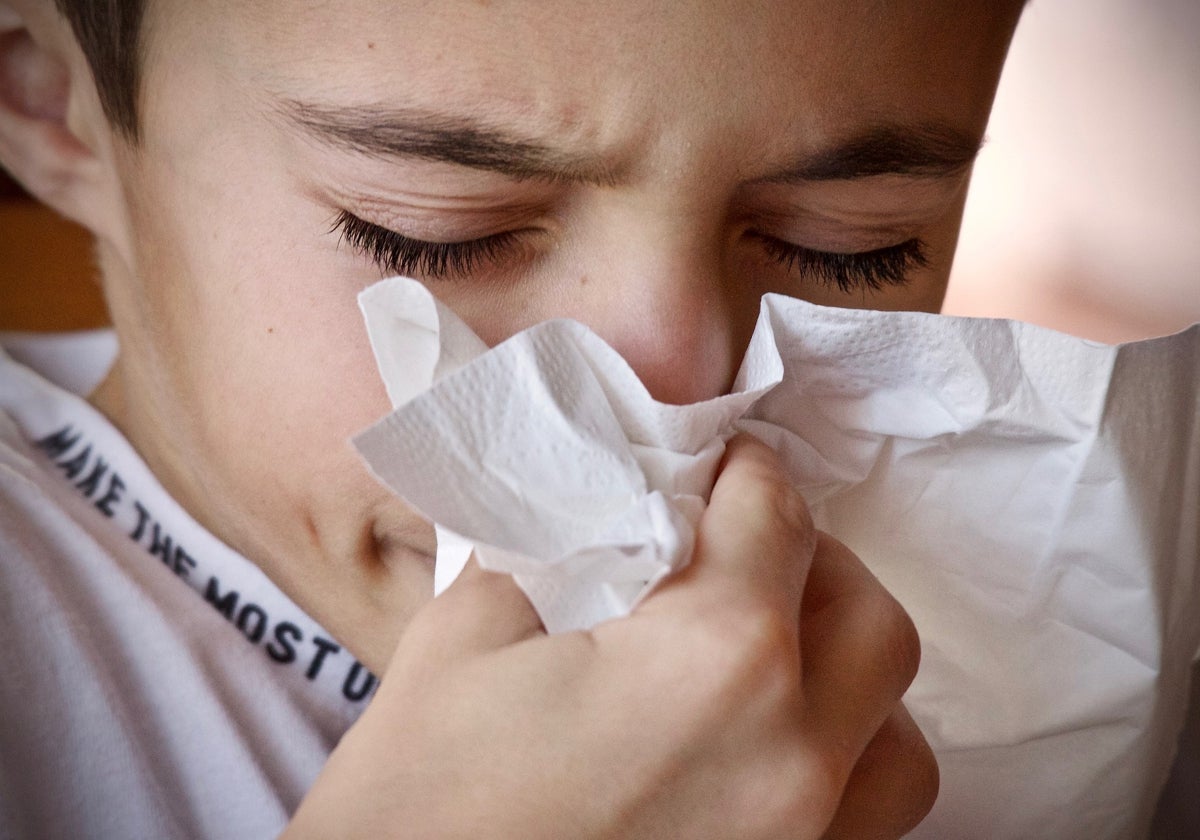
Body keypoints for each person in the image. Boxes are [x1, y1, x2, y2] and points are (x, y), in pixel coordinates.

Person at [0, 1, 1033, 837]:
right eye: (438, 238)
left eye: (847, 247)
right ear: (53, 106)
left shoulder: (1043, 630)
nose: (679, 401)